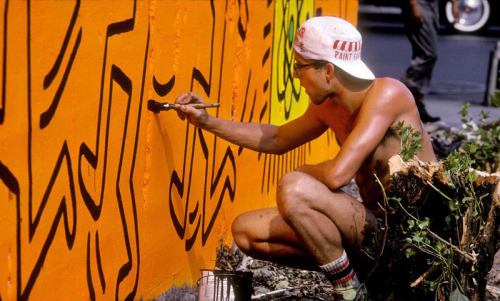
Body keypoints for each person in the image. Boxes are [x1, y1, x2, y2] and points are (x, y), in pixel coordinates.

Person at [174, 16, 436, 298]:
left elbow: (338, 174)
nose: (296, 77)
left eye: (299, 66)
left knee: (295, 187)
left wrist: (299, 175)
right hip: (373, 231)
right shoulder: (329, 104)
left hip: (413, 241)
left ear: (328, 70)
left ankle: (349, 293)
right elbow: (276, 138)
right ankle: (359, 278)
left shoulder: (388, 94)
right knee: (245, 230)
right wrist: (206, 122)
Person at [400, 0, 459, 123]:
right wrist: (413, 5)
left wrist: (454, 3)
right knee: (429, 54)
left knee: (422, 53)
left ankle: (417, 105)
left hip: (432, 4)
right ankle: (403, 87)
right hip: (420, 3)